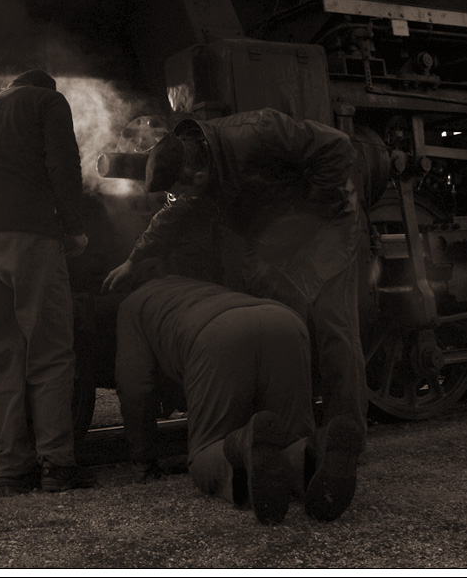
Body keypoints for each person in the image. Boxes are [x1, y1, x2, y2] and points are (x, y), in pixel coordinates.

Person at [103, 107, 368, 451]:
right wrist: (133, 260)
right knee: (276, 329)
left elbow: (337, 146)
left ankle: (346, 438)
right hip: (273, 236)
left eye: (185, 187)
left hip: (326, 223)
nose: (184, 196)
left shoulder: (257, 131)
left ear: (196, 172)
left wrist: (310, 212)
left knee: (335, 328)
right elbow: (174, 212)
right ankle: (289, 435)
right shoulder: (195, 172)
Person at [0, 69, 96, 495]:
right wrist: (74, 227)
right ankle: (57, 467)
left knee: (4, 355)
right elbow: (63, 163)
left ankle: (11, 471)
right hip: (28, 236)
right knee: (50, 351)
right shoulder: (48, 103)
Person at [117, 272, 362, 524]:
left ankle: (242, 444)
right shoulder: (198, 284)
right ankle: (316, 450)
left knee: (204, 455)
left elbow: (135, 388)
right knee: (291, 439)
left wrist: (143, 460)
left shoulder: (132, 304)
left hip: (218, 334)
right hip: (284, 321)